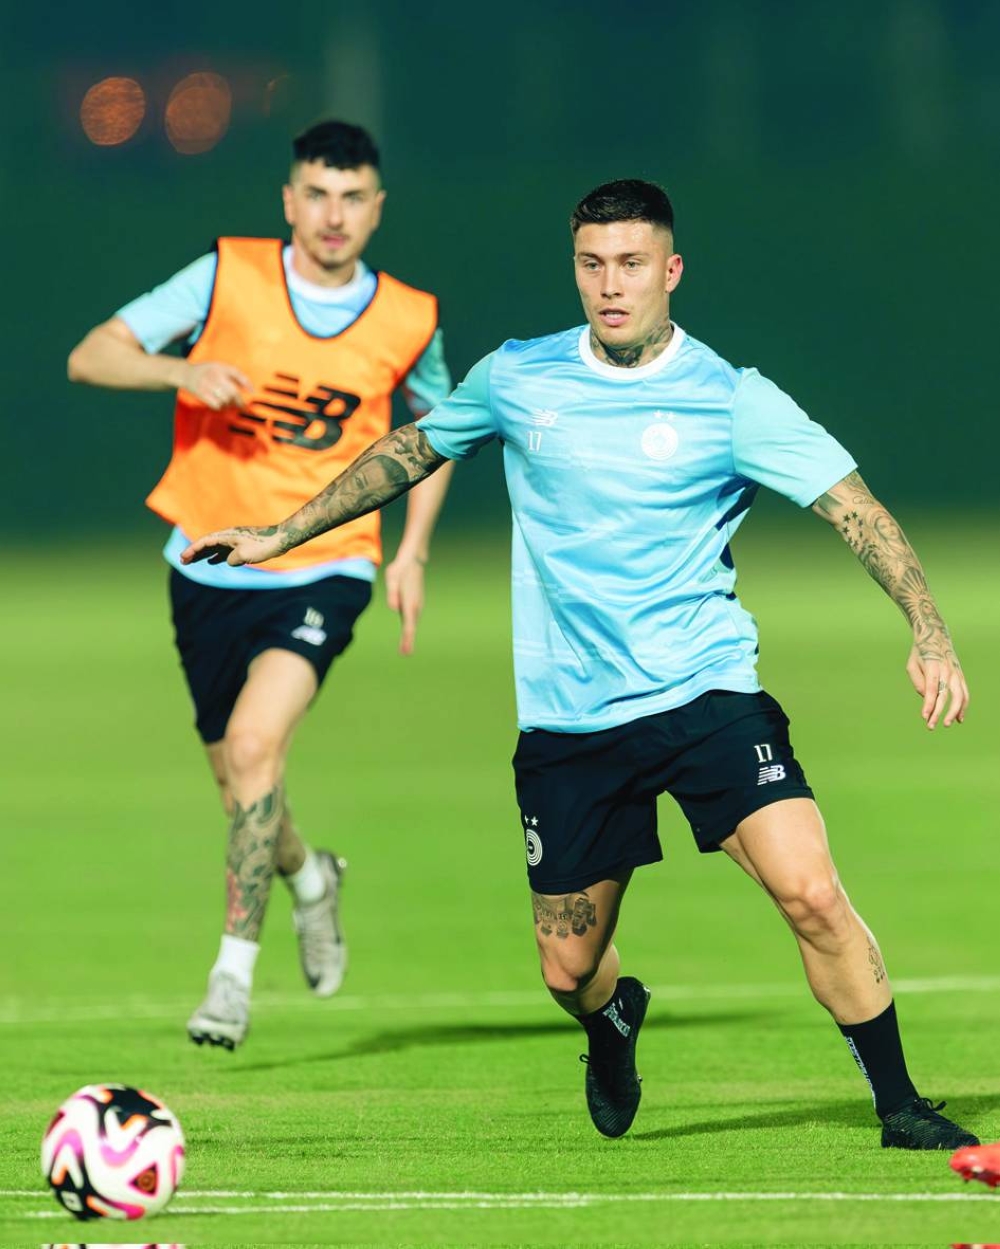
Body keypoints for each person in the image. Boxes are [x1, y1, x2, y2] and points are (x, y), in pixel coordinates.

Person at [180, 178, 977, 1149]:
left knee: (811, 889)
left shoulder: (731, 398)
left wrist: (928, 629)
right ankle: (611, 1018)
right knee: (566, 967)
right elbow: (409, 448)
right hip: (571, 725)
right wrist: (281, 532)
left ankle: (899, 1105)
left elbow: (858, 511)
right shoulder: (518, 377)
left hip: (707, 695)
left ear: (670, 271)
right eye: (592, 264)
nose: (610, 285)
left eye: (631, 264)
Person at [67, 120, 453, 1051]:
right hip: (206, 563)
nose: (333, 215)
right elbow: (91, 353)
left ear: (378, 207)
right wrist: (179, 369)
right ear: (289, 201)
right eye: (316, 193)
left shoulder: (410, 315)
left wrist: (411, 549)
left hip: (325, 562)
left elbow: (439, 433)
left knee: (253, 745)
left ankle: (231, 979)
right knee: (245, 778)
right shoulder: (225, 275)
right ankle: (312, 876)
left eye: (353, 196)